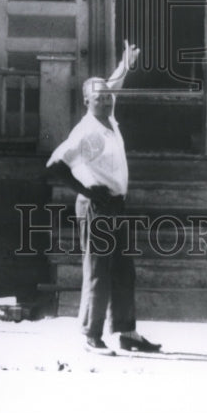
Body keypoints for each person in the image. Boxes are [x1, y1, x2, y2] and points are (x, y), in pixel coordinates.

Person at [46, 41, 162, 355]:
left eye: (109, 96)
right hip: (96, 207)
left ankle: (127, 333)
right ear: (87, 101)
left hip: (116, 206)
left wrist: (125, 65)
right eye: (99, 97)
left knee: (124, 270)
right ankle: (91, 336)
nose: (107, 99)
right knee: (98, 272)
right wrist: (85, 191)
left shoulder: (108, 119)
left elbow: (113, 84)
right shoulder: (85, 131)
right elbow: (53, 166)